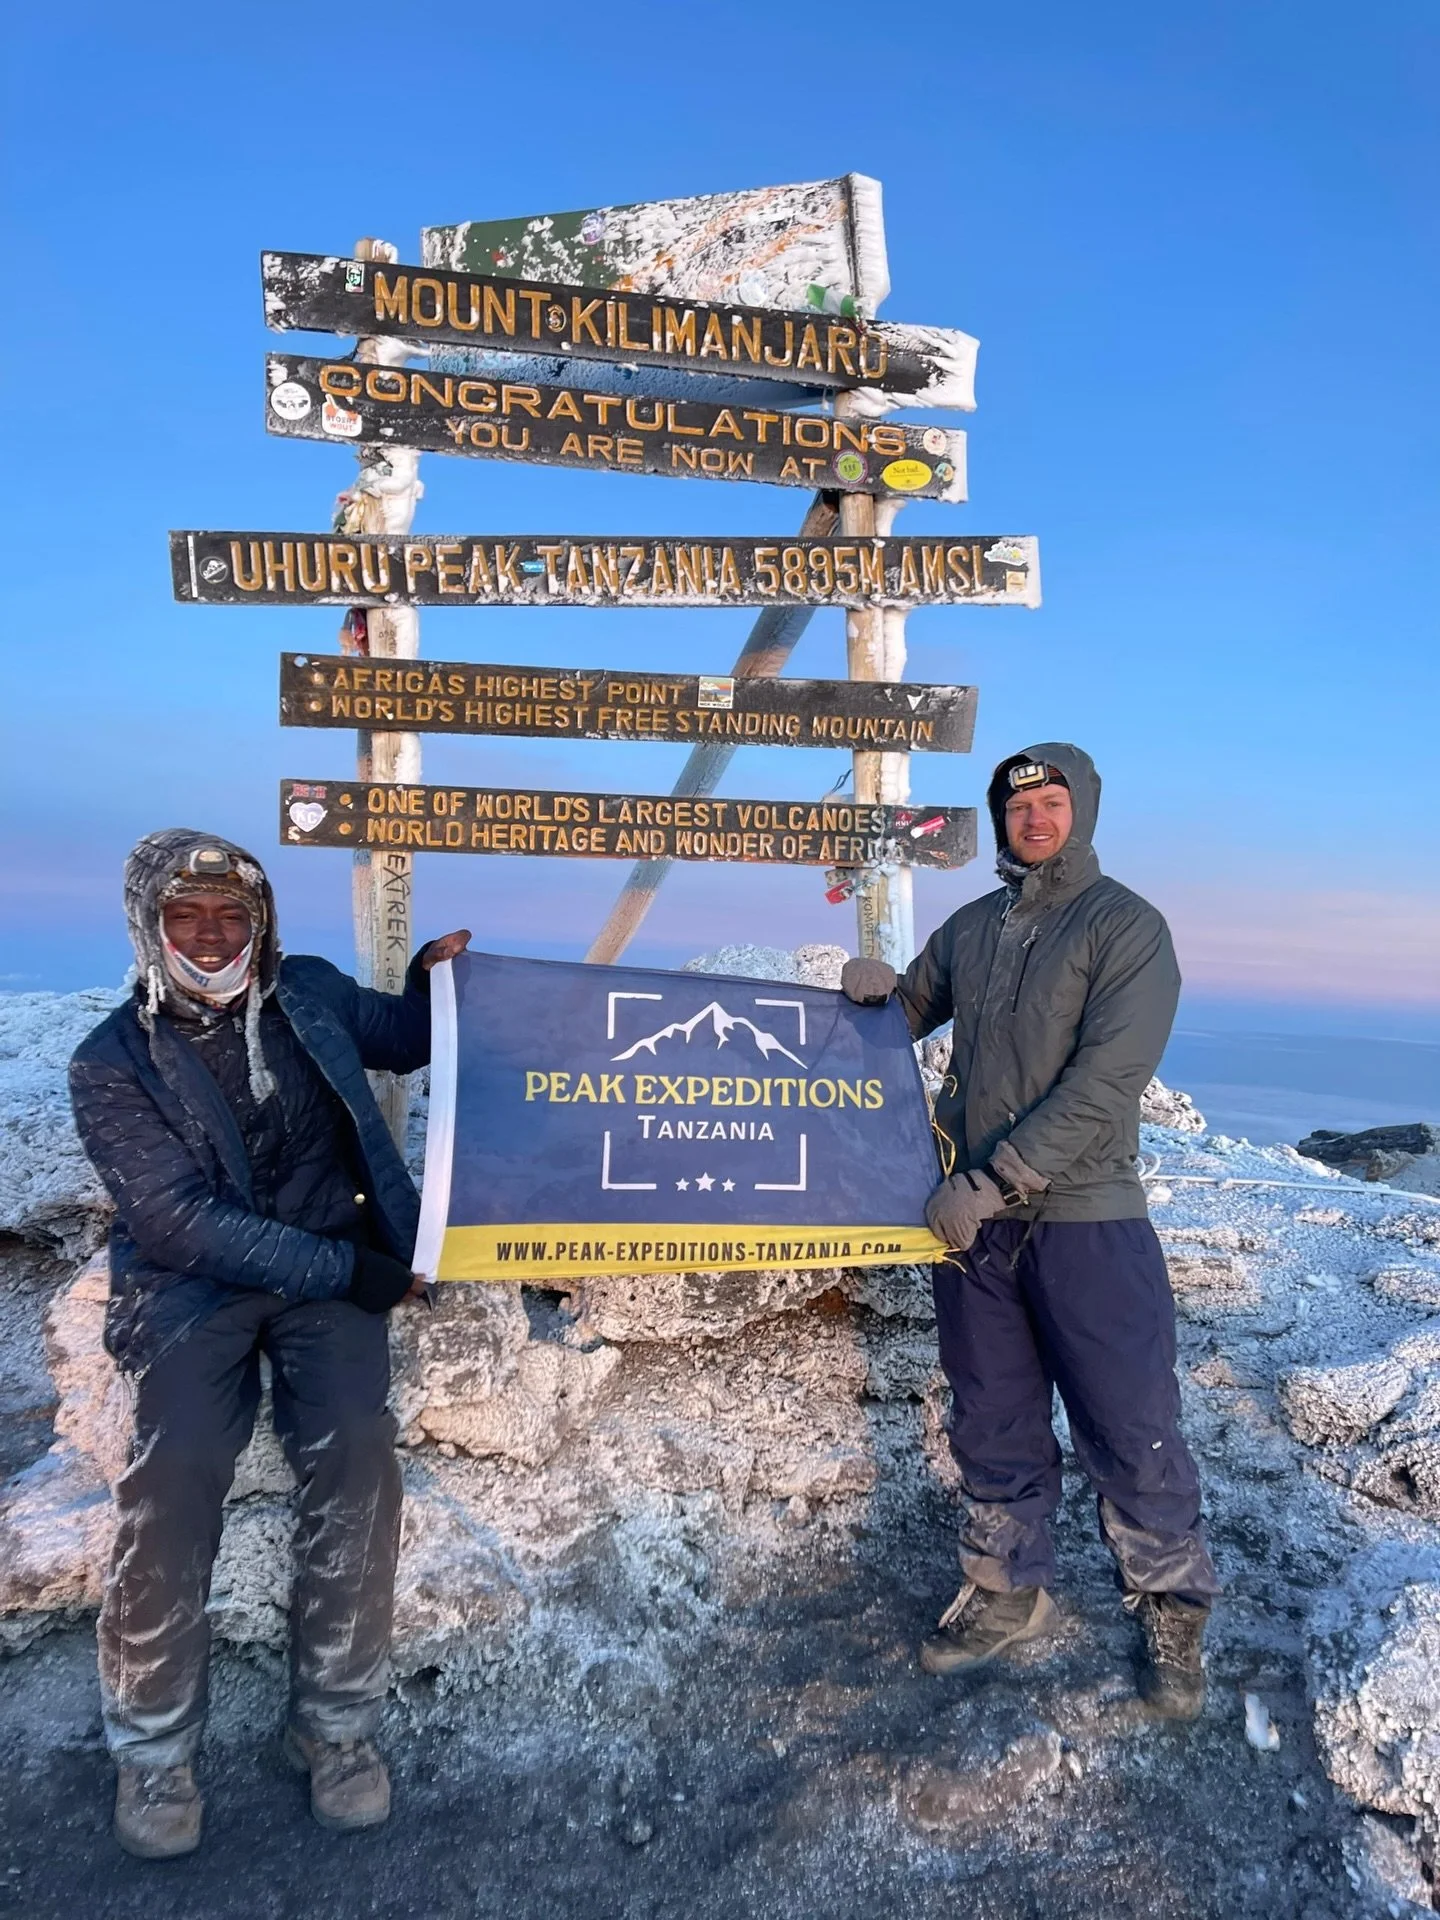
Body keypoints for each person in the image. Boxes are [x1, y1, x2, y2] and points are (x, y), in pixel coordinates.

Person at [69, 828, 470, 1858]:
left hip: (324, 1279)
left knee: (356, 1452)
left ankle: (334, 1730)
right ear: (150, 924)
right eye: (186, 917)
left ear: (262, 922)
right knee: (174, 1474)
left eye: (231, 915)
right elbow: (175, 1220)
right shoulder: (112, 1060)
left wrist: (435, 981)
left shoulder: (313, 994)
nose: (212, 936)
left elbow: (409, 1035)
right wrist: (352, 1270)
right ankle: (154, 1748)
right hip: (193, 1291)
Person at [841, 744, 1219, 1719]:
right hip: (976, 1233)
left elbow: (1106, 1084)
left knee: (1129, 1421)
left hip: (1082, 1218)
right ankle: (1010, 1591)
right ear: (1002, 821)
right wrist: (875, 993)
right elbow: (908, 1013)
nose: (1036, 820)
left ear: (1080, 812)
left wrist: (993, 1178)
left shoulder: (1125, 927)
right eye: (1020, 807)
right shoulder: (973, 927)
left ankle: (1172, 1613)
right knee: (992, 1415)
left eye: (1053, 804)